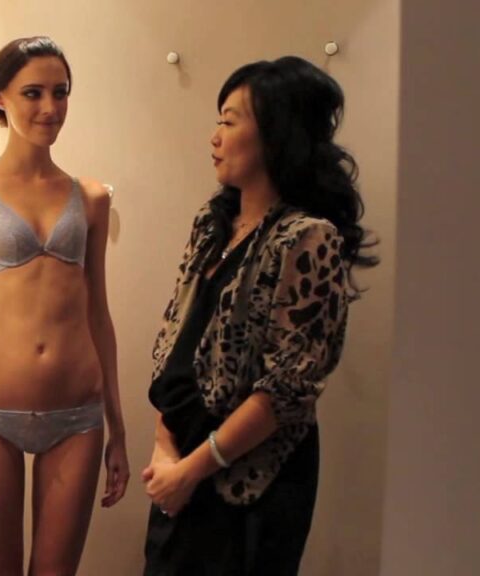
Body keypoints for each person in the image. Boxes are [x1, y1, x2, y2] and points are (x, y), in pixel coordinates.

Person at [141, 56, 378, 575]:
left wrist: (192, 470)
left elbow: (286, 390)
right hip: (182, 465)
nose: (215, 137)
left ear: (275, 134)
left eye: (229, 121)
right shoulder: (213, 224)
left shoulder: (307, 237)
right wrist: (164, 447)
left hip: (250, 483)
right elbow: (174, 341)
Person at [0, 36, 130, 575]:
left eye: (60, 93)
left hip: (76, 415)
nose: (49, 107)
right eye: (33, 93)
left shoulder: (91, 197)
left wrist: (118, 428)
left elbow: (99, 315)